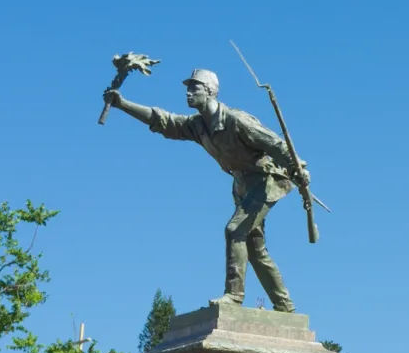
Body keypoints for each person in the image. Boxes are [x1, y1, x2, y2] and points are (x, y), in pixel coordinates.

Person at [105, 68, 309, 312]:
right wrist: (123, 104)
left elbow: (275, 144)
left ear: (211, 92)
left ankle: (234, 296)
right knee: (254, 249)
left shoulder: (236, 120)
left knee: (234, 231)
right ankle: (284, 305)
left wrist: (298, 168)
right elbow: (164, 121)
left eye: (195, 88)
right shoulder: (198, 125)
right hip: (242, 184)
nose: (188, 93)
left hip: (266, 182)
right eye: (188, 88)